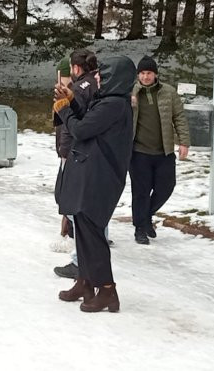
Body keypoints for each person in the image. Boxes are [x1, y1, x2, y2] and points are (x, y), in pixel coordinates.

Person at [54, 56, 136, 313]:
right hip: (91, 170)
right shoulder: (107, 101)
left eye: (103, 75)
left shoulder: (114, 105)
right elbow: (87, 120)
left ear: (115, 78)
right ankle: (85, 282)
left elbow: (81, 130)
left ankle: (108, 290)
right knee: (82, 227)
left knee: (92, 230)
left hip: (101, 175)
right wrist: (71, 102)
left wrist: (63, 109)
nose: (97, 78)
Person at [129, 55, 190, 245]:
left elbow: (179, 116)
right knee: (141, 191)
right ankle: (140, 228)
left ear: (156, 74)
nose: (146, 77)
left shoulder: (168, 92)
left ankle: (146, 216)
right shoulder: (130, 93)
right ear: (138, 75)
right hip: (138, 151)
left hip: (163, 151)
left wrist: (184, 142)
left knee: (166, 187)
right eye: (142, 73)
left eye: (149, 73)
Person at [52, 50, 99, 280]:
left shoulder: (82, 89)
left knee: (74, 206)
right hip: (81, 152)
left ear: (76, 68)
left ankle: (83, 261)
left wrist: (65, 151)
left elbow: (75, 123)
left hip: (75, 153)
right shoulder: (92, 86)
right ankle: (87, 258)